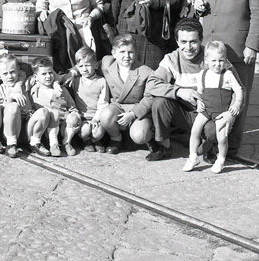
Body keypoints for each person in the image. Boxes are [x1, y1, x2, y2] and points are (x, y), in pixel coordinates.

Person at [195, 0, 259, 156]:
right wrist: (198, 5)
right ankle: (212, 142)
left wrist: (252, 46)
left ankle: (232, 147)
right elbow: (204, 3)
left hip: (237, 50)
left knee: (238, 96)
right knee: (212, 97)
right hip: (210, 49)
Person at [145, 18, 219, 161]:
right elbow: (152, 84)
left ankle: (209, 147)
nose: (188, 47)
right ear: (177, 42)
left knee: (214, 130)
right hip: (183, 113)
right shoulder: (171, 59)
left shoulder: (213, 57)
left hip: (208, 113)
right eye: (183, 42)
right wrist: (179, 91)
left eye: (193, 42)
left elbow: (236, 88)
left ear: (201, 40)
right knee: (160, 103)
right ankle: (164, 147)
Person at [183, 40, 243, 174]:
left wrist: (237, 104)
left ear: (225, 61)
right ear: (206, 60)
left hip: (221, 112)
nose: (217, 64)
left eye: (221, 60)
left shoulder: (227, 75)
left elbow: (239, 89)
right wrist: (199, 102)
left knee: (222, 137)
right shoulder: (203, 75)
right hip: (206, 109)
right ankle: (193, 157)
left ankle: (220, 159)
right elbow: (199, 92)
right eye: (213, 61)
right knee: (195, 130)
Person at [98, 35, 153, 155]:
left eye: (131, 52)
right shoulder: (107, 63)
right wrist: (73, 72)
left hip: (137, 109)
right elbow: (89, 63)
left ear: (136, 53)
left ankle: (149, 139)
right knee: (105, 116)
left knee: (139, 135)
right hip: (117, 107)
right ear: (113, 53)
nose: (127, 56)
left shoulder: (145, 71)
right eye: (122, 52)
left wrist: (133, 114)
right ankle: (116, 139)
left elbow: (149, 98)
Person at [27, 57, 80, 157]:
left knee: (73, 117)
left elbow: (72, 107)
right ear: (36, 76)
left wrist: (76, 117)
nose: (48, 76)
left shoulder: (61, 89)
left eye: (50, 73)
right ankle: (53, 144)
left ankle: (66, 142)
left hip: (63, 127)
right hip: (45, 127)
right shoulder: (34, 91)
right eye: (44, 74)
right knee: (52, 113)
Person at [68, 46, 109, 152]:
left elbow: (103, 103)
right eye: (81, 66)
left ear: (95, 65)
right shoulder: (76, 81)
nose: (84, 69)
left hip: (96, 118)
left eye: (87, 65)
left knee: (98, 132)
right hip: (82, 118)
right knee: (85, 130)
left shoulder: (101, 81)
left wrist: (96, 119)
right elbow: (61, 79)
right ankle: (86, 141)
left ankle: (96, 140)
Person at [0, 53, 33, 158]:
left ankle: (37, 142)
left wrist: (19, 84)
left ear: (18, 71)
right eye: (5, 74)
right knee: (12, 107)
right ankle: (11, 144)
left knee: (43, 113)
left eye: (12, 72)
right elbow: (0, 109)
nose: (10, 76)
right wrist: (11, 96)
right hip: (9, 129)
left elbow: (40, 75)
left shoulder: (25, 85)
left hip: (26, 126)